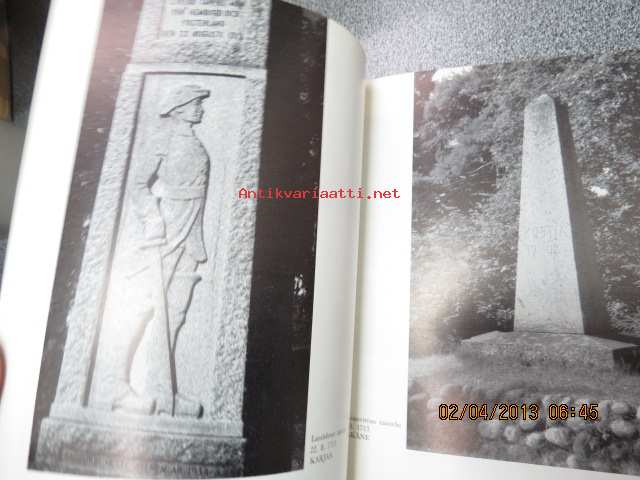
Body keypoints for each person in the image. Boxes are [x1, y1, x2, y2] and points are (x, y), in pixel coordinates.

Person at [107, 84, 211, 418]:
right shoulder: (161, 139)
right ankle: (115, 387)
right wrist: (152, 217)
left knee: (175, 312)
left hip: (190, 234)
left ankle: (162, 392)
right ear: (178, 108)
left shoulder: (195, 141)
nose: (200, 108)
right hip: (165, 233)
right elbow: (138, 184)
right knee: (142, 305)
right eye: (195, 103)